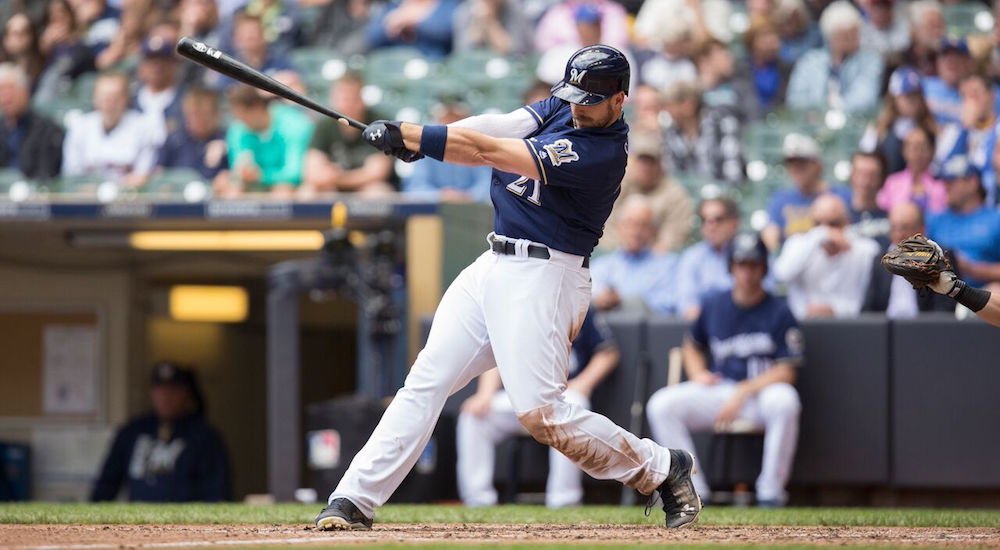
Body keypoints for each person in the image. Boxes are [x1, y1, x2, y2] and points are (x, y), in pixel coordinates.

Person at [314, 45, 701, 532]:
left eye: (591, 100)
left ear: (620, 100)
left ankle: (663, 468)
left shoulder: (600, 154)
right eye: (574, 96)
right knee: (425, 382)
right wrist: (417, 139)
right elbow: (497, 126)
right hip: (493, 262)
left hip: (546, 276)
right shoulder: (565, 105)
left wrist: (415, 136)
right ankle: (352, 498)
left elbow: (489, 152)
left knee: (543, 415)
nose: (578, 107)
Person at [646, 232, 802, 507]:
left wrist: (744, 390)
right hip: (721, 391)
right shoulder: (714, 304)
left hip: (760, 393)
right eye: (741, 264)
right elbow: (692, 345)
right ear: (731, 267)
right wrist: (698, 374)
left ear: (763, 268)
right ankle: (693, 489)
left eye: (753, 265)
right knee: (662, 404)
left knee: (786, 400)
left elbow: (787, 372)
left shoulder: (779, 310)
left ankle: (771, 492)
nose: (747, 272)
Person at [457, 308, 619, 509]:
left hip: (565, 392)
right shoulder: (515, 305)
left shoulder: (577, 302)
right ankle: (478, 501)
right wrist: (485, 394)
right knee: (475, 417)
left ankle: (564, 501)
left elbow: (607, 352)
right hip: (522, 395)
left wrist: (584, 383)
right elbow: (496, 353)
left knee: (573, 406)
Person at [91, 362, 230, 502]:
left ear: (187, 394)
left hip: (185, 520)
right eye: (160, 389)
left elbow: (218, 491)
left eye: (173, 390)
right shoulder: (133, 431)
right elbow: (107, 483)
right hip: (138, 517)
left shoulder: (204, 436)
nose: (165, 396)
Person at [773, 193, 881, 319]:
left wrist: (834, 311)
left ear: (847, 222)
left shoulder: (864, 249)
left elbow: (868, 301)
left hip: (849, 327)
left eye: (833, 224)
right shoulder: (798, 244)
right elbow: (782, 274)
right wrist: (820, 235)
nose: (827, 231)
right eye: (817, 224)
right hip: (803, 327)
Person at [598, 134, 693, 253]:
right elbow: (605, 227)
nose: (645, 167)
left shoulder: (674, 194)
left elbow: (673, 238)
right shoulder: (619, 183)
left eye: (650, 162)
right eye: (641, 161)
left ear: (660, 165)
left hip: (654, 260)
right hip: (618, 256)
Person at [61, 71, 158, 187]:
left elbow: (142, 175)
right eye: (103, 97)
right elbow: (72, 175)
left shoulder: (143, 127)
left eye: (115, 97)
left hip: (129, 199)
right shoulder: (80, 127)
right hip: (87, 198)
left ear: (126, 98)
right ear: (94, 98)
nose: (109, 103)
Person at [302, 72, 394, 194]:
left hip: (365, 187)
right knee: (308, 192)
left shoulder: (379, 124)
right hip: (333, 186)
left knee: (377, 192)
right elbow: (312, 171)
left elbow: (377, 173)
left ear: (362, 99)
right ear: (333, 99)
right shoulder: (324, 124)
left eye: (353, 97)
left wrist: (338, 178)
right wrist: (329, 177)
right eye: (343, 98)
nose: (348, 103)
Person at [786, 0, 884, 113]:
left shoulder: (870, 60)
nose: (852, 40)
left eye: (855, 33)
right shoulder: (810, 61)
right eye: (845, 36)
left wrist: (832, 112)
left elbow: (865, 99)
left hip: (853, 124)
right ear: (831, 37)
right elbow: (795, 100)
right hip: (812, 124)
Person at [590, 196, 680, 316]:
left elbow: (668, 306)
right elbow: (587, 298)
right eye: (629, 223)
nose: (635, 231)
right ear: (619, 228)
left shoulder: (668, 265)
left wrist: (622, 301)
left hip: (651, 331)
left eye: (642, 225)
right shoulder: (602, 266)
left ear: (653, 231)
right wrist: (600, 300)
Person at [863, 201, 954, 317]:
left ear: (921, 230)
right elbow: (868, 308)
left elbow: (944, 308)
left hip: (925, 329)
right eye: (894, 228)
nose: (898, 235)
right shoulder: (880, 262)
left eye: (904, 228)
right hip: (886, 329)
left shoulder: (939, 259)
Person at [762, 133, 850, 250]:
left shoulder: (840, 195)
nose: (796, 168)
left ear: (817, 165)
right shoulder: (780, 200)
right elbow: (771, 233)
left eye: (802, 163)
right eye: (791, 164)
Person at [226, 84, 314, 197]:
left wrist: (261, 175)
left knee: (283, 191)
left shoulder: (294, 125)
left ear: (257, 107)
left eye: (243, 115)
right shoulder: (237, 129)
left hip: (293, 186)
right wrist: (241, 173)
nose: (240, 121)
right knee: (230, 188)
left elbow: (295, 173)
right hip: (257, 184)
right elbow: (238, 169)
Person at [927, 155, 1000, 290]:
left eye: (952, 181)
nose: (946, 186)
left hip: (982, 295)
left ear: (972, 182)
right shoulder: (935, 220)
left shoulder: (995, 220)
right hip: (941, 296)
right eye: (944, 181)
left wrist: (971, 269)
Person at [403, 96, 493, 202]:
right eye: (447, 118)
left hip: (471, 210)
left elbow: (487, 185)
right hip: (434, 211)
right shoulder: (426, 145)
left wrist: (466, 196)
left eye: (457, 118)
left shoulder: (477, 143)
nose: (452, 123)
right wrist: (441, 196)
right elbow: (415, 189)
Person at [661, 81, 744, 186]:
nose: (667, 111)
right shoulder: (670, 133)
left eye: (671, 105)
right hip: (686, 196)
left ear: (689, 104)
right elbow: (672, 173)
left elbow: (733, 170)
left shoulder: (722, 124)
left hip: (721, 194)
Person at [859, 66, 937, 175]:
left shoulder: (932, 128)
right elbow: (866, 158)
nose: (913, 101)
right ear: (894, 98)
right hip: (886, 185)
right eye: (907, 96)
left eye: (916, 95)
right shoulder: (879, 128)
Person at [675, 197, 742, 320]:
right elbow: (687, 305)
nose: (711, 226)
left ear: (734, 223)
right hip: (705, 330)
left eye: (718, 219)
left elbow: (763, 296)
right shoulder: (691, 257)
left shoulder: (751, 253)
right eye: (705, 220)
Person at [155, 87, 229, 192]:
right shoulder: (175, 140)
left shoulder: (226, 140)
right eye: (193, 115)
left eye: (204, 115)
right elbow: (159, 172)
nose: (198, 121)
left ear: (216, 114)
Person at [0, 63, 64, 180]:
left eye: (10, 90)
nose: (5, 98)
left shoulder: (47, 129)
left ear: (25, 92)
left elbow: (46, 174)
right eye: (1, 91)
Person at [877, 125, 946, 215]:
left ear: (933, 150)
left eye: (922, 147)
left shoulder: (943, 183)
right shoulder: (892, 182)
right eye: (911, 147)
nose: (916, 152)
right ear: (903, 151)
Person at [366, 0, 459, 60]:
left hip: (433, 66)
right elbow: (372, 37)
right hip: (395, 66)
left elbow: (446, 31)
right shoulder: (395, 5)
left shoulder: (446, 4)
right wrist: (394, 23)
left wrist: (417, 21)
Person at [133, 36, 184, 145]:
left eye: (162, 61)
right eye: (151, 61)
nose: (157, 67)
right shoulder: (130, 100)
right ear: (142, 66)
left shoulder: (185, 100)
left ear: (173, 65)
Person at [742, 19, 792, 119]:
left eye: (775, 37)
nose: (774, 43)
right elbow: (747, 104)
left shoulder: (786, 68)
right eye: (766, 38)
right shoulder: (742, 69)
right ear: (753, 42)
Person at [452, 0, 531, 56]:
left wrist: (490, 23)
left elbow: (515, 51)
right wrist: (479, 22)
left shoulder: (513, 8)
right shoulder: (465, 11)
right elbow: (463, 52)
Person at [848, 151, 890, 244]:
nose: (865, 181)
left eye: (872, 176)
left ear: (882, 179)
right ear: (852, 176)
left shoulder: (893, 221)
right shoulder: (839, 220)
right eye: (860, 174)